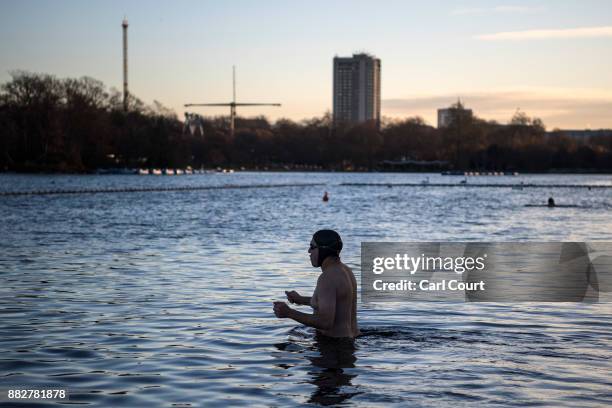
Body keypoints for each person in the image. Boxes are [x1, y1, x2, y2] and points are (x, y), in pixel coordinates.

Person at [273, 230, 360, 338]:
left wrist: (289, 313)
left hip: (333, 349)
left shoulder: (328, 277)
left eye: (312, 247)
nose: (309, 251)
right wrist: (300, 299)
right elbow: (331, 302)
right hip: (350, 342)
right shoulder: (345, 271)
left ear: (324, 250)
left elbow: (326, 322)